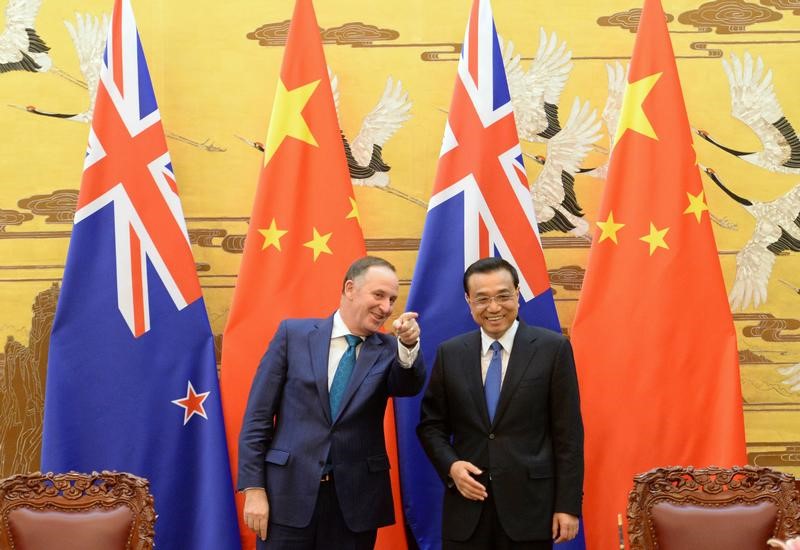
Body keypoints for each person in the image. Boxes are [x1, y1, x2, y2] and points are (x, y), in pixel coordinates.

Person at [238, 256, 425, 550]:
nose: (386, 308)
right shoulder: (293, 335)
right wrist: (254, 489)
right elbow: (257, 418)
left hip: (355, 506)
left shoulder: (390, 349)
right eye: (379, 295)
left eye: (392, 299)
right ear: (350, 289)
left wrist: (409, 347)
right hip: (286, 498)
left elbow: (407, 386)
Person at [417, 257, 583, 549]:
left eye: (503, 296)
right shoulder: (450, 353)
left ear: (517, 294)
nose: (494, 308)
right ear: (468, 301)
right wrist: (452, 466)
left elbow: (568, 434)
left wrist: (567, 505)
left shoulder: (552, 349)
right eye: (482, 299)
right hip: (466, 509)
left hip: (530, 510)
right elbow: (431, 425)